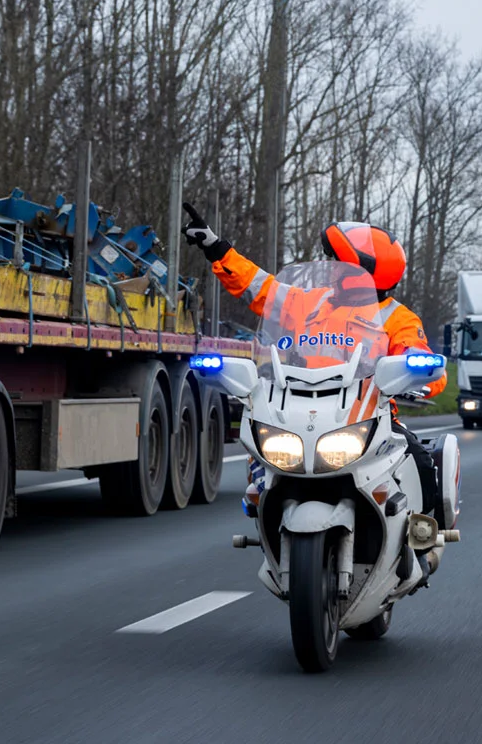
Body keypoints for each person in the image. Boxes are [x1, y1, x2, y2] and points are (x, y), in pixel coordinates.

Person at [183, 206, 444, 517]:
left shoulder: (396, 316)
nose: (333, 269)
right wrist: (215, 247)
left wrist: (418, 366)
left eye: (340, 264)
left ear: (363, 270)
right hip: (297, 409)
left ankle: (424, 535)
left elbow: (416, 350)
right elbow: (259, 286)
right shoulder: (309, 302)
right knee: (261, 458)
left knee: (420, 461)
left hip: (367, 414)